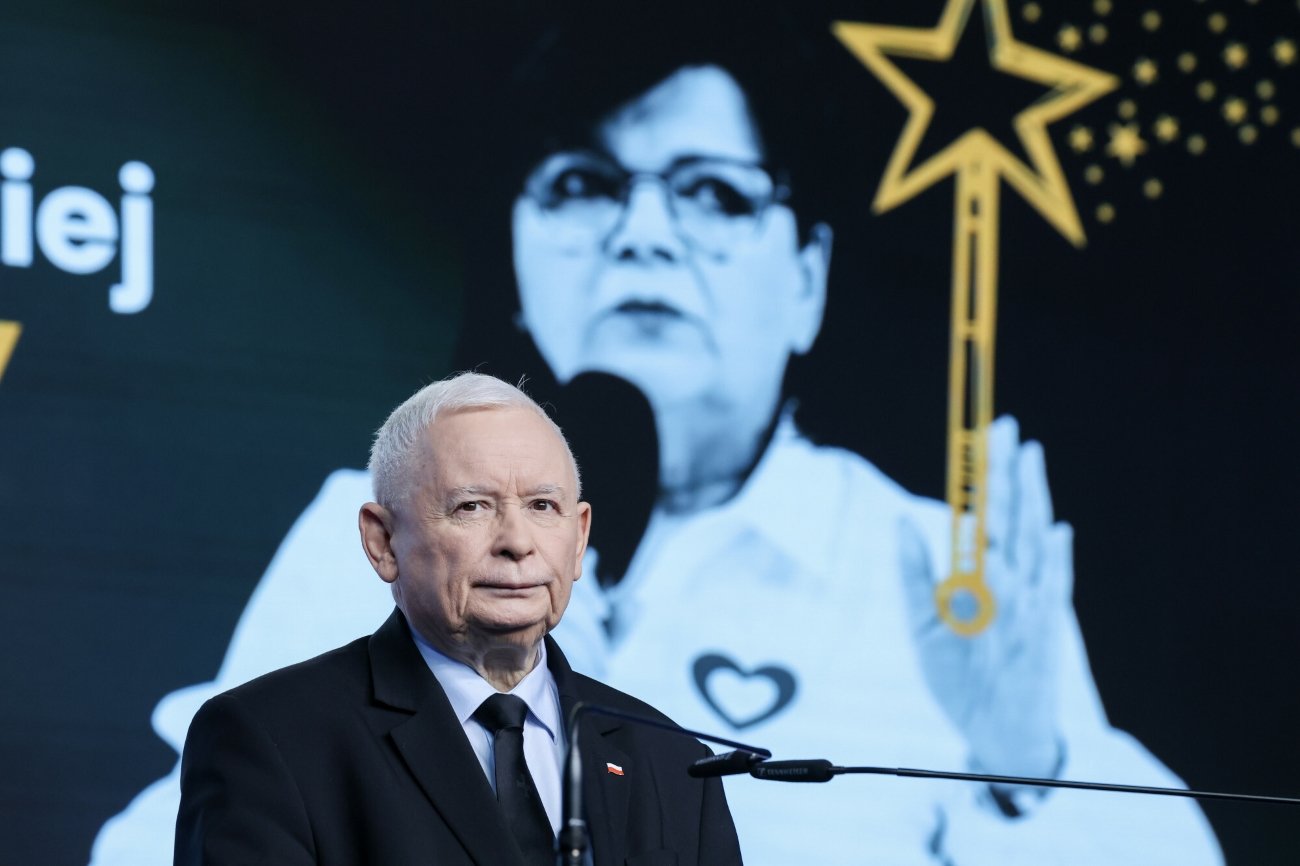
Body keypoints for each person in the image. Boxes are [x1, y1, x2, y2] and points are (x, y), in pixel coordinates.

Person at [95, 8, 1222, 865]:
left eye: (714, 195)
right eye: (586, 184)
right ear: (523, 258)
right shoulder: (389, 516)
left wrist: (1033, 768)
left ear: (808, 277)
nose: (642, 235)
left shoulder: (938, 576)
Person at [173, 372, 741, 866]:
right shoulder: (272, 739)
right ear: (383, 540)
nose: (517, 543)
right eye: (472, 506)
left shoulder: (671, 758)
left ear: (579, 539)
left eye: (543, 506)